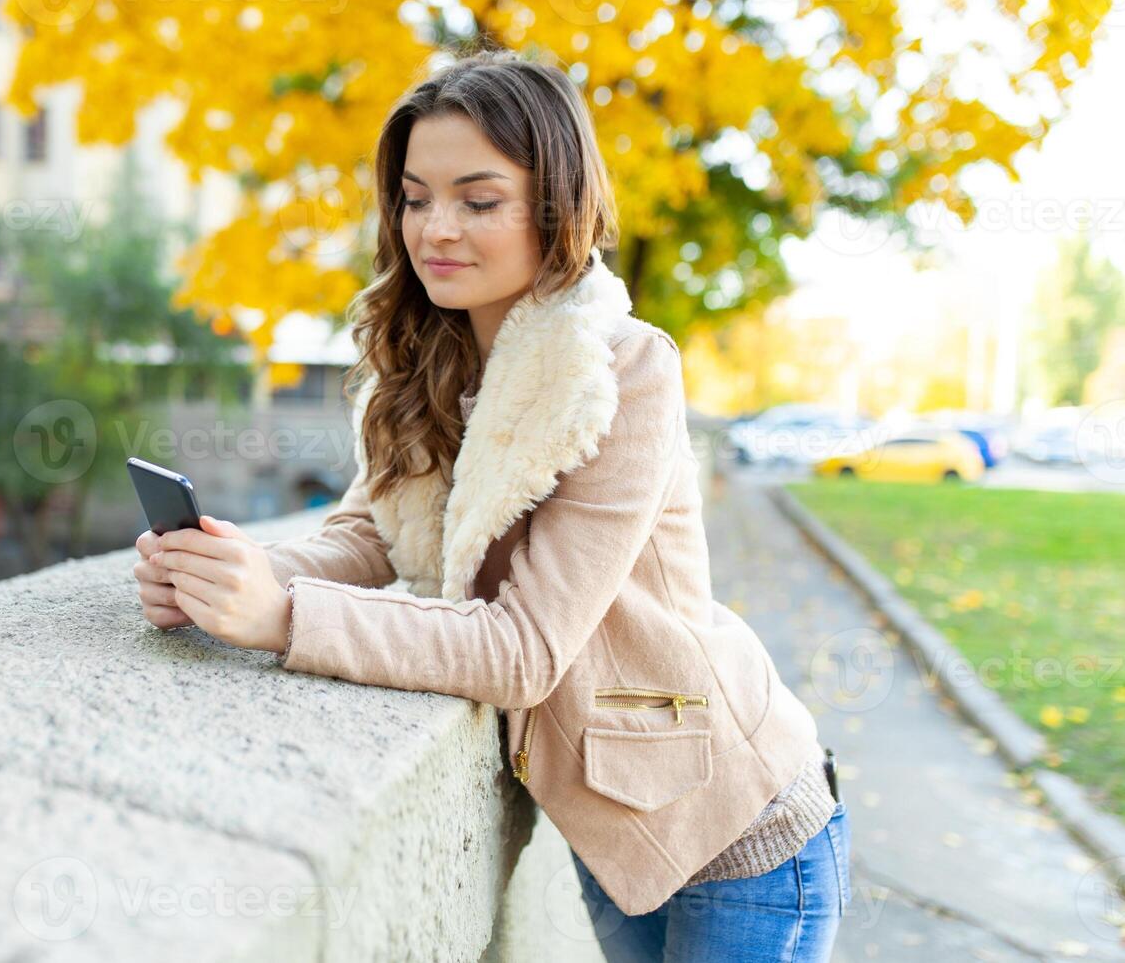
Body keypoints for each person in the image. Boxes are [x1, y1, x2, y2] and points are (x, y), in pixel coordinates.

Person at [133, 48, 850, 961]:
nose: (437, 228)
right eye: (415, 196)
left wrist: (283, 618)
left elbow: (523, 651)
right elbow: (370, 531)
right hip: (610, 829)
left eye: (479, 201)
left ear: (554, 208)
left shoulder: (621, 369)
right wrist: (233, 573)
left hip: (744, 841)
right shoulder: (430, 363)